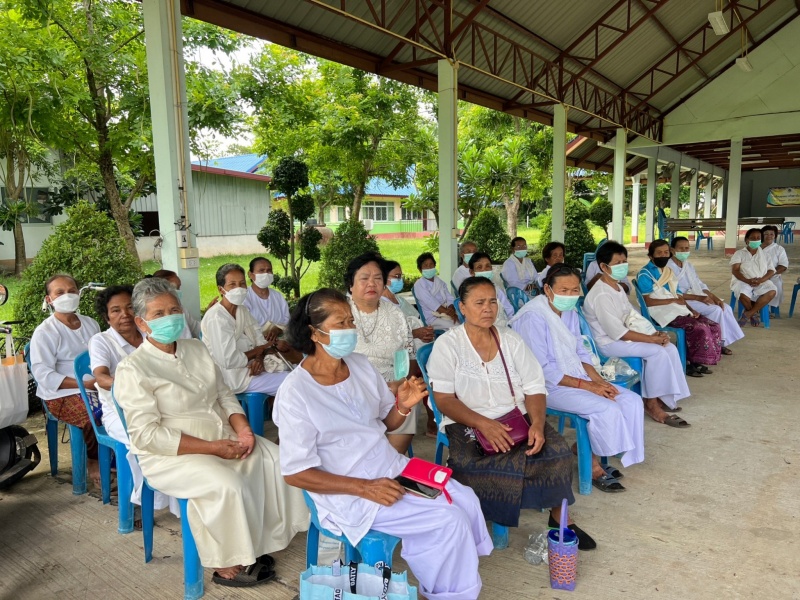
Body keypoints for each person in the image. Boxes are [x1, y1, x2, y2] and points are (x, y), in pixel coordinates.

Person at [274, 288, 493, 600]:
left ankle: (453, 578)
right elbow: (296, 473)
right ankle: (450, 594)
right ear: (314, 332)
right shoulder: (296, 393)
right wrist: (365, 488)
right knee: (448, 520)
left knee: (465, 499)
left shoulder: (359, 365)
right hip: (350, 490)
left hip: (391, 466)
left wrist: (402, 406)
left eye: (351, 321)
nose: (350, 329)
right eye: (340, 323)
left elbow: (385, 423)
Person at [114, 278, 308, 587]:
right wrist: (213, 448)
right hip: (173, 454)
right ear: (141, 322)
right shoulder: (133, 369)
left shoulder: (196, 348)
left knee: (275, 459)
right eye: (158, 313)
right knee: (227, 484)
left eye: (174, 310)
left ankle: (261, 540)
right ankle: (226, 560)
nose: (169, 318)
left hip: (222, 436)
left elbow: (224, 394)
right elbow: (147, 435)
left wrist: (244, 431)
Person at [427, 276, 596, 550]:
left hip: (515, 417)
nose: (488, 308)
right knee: (475, 463)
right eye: (479, 303)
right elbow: (444, 400)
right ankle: (484, 520)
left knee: (556, 451)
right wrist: (484, 424)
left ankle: (560, 518)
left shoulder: (510, 340)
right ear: (462, 307)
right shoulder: (448, 345)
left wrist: (538, 424)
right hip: (467, 420)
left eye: (492, 301)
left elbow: (535, 387)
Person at [510, 265, 644, 492]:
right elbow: (542, 370)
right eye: (564, 290)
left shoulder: (569, 311)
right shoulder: (532, 317)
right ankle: (592, 467)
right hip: (545, 387)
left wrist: (598, 381)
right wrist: (588, 386)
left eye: (574, 290)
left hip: (576, 376)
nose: (570, 295)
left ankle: (586, 450)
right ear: (548, 289)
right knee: (607, 408)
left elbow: (580, 351)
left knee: (631, 400)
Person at [89, 285, 179, 522]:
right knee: (142, 440)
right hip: (118, 410)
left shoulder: (151, 333)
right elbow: (100, 377)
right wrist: (133, 384)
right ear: (106, 316)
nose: (124, 314)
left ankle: (176, 494)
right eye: (115, 310)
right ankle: (142, 499)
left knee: (177, 432)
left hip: (159, 402)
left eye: (129, 307)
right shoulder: (101, 341)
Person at [583, 242, 691, 428]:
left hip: (623, 336)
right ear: (604, 267)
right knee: (657, 351)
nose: (622, 266)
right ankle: (651, 404)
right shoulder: (601, 294)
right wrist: (651, 340)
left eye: (624, 261)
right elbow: (617, 332)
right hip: (608, 343)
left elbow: (632, 315)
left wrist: (654, 333)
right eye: (617, 263)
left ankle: (664, 397)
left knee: (669, 348)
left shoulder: (616, 287)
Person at [30, 274, 102, 483]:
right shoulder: (45, 332)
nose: (67, 296)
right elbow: (43, 374)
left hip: (95, 386)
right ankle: (94, 461)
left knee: (124, 408)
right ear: (49, 299)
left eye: (72, 291)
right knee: (95, 415)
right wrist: (84, 384)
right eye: (60, 293)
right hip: (61, 394)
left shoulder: (91, 324)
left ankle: (118, 460)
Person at [346, 253, 417, 455]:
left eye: (378, 278)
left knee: (409, 400)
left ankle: (390, 463)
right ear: (350, 285)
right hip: (352, 386)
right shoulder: (341, 312)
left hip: (392, 385)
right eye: (364, 278)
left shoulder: (395, 313)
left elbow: (410, 357)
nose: (372, 283)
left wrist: (400, 382)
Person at [201, 264, 288, 396]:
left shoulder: (242, 310)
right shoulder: (216, 318)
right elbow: (228, 360)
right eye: (232, 284)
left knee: (297, 373)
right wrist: (257, 351)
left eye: (242, 283)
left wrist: (258, 359)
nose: (239, 288)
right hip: (231, 378)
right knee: (291, 382)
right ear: (221, 289)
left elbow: (259, 340)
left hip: (253, 369)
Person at [637, 240, 722, 376]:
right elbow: (648, 302)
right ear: (651, 256)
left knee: (713, 325)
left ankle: (694, 360)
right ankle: (687, 363)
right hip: (660, 312)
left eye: (666, 252)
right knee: (698, 327)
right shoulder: (645, 274)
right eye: (659, 253)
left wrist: (691, 310)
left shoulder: (668, 271)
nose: (663, 255)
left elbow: (679, 296)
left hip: (676, 309)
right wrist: (672, 300)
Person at [381, 259, 437, 438]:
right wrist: (416, 334)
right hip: (400, 355)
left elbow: (415, 320)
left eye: (401, 276)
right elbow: (389, 336)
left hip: (415, 346)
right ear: (384, 278)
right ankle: (432, 421)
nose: (400, 280)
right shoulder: (381, 304)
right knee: (426, 374)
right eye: (396, 276)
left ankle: (434, 418)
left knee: (437, 367)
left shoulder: (399, 300)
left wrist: (425, 332)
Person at [668, 237, 744, 354]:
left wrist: (713, 297)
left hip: (696, 295)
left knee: (725, 308)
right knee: (715, 310)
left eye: (687, 248)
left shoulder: (688, 265)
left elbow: (699, 283)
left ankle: (721, 342)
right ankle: (716, 343)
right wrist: (700, 298)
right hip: (682, 300)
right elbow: (673, 292)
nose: (684, 251)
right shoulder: (668, 267)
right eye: (681, 248)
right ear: (672, 250)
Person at [730, 228, 777, 327]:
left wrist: (761, 280)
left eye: (758, 238)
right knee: (742, 293)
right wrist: (747, 280)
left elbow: (771, 270)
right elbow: (735, 270)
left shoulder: (765, 255)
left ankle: (748, 314)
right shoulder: (739, 253)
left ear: (761, 240)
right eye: (752, 238)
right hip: (743, 280)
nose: (755, 240)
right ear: (747, 240)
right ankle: (753, 314)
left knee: (772, 291)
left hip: (761, 280)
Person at [243, 257, 291, 341]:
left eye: (269, 270)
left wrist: (278, 329)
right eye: (261, 270)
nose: (266, 274)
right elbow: (245, 329)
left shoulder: (278, 296)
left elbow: (287, 322)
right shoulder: (245, 297)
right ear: (250, 274)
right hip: (255, 344)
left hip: (282, 341)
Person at [467, 252, 514, 327]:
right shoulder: (469, 292)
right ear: (472, 272)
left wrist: (512, 324)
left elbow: (508, 309)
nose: (484, 270)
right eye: (479, 267)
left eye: (487, 266)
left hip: (501, 327)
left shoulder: (496, 289)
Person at [413, 252, 458, 330]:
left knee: (465, 321)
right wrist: (450, 313)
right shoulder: (419, 285)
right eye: (425, 265)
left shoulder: (439, 282)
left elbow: (449, 297)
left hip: (447, 312)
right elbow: (431, 303)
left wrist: (451, 307)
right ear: (420, 269)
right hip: (432, 318)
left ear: (435, 266)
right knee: (457, 327)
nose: (429, 267)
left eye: (431, 264)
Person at [152, 269, 201, 339]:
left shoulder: (181, 309)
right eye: (174, 288)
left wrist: (208, 316)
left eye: (179, 287)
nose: (178, 291)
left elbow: (196, 329)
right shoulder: (153, 316)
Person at [760, 225, 788, 311]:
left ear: (775, 236)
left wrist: (769, 274)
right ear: (762, 235)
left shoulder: (779, 249)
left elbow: (783, 266)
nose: (769, 236)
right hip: (756, 275)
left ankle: (770, 310)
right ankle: (755, 308)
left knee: (775, 286)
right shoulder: (756, 248)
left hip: (773, 276)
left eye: (771, 234)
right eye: (766, 234)